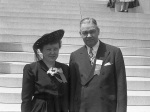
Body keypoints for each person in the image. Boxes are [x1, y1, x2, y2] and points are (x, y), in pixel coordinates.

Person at [69, 18, 127, 112]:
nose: (89, 35)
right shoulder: (74, 55)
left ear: (98, 31)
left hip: (106, 107)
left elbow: (121, 85)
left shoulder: (114, 52)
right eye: (85, 33)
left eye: (92, 31)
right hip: (83, 107)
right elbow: (73, 87)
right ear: (80, 34)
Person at [21, 29, 69, 112]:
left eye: (55, 49)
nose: (52, 52)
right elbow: (26, 98)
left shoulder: (65, 68)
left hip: (59, 108)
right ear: (41, 50)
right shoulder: (31, 69)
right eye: (48, 49)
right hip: (40, 108)